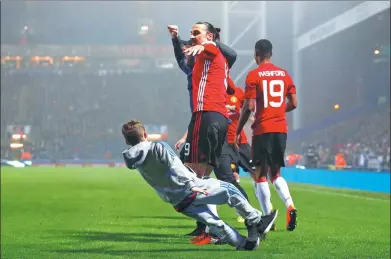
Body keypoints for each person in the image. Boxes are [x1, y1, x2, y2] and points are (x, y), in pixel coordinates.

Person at [121, 120, 278, 251]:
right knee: (230, 191)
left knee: (214, 223)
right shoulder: (158, 147)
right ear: (146, 135)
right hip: (191, 188)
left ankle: (245, 244)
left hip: (177, 201)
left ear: (127, 141)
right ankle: (256, 220)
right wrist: (191, 184)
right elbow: (175, 165)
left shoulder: (134, 160)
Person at [169, 22, 248, 242]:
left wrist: (208, 45)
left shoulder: (215, 60)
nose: (190, 47)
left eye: (195, 37)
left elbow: (227, 54)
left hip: (214, 122)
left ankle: (252, 217)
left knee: (214, 176)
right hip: (203, 120)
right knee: (202, 176)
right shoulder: (193, 68)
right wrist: (177, 41)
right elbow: (182, 58)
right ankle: (208, 226)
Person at [235, 39, 298, 231]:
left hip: (263, 130)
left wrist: (238, 130)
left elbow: (249, 106)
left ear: (257, 54)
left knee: (261, 175)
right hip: (281, 129)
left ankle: (268, 217)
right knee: (276, 174)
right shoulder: (284, 74)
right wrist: (277, 110)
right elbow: (294, 103)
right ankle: (290, 206)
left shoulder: (254, 75)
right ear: (271, 53)